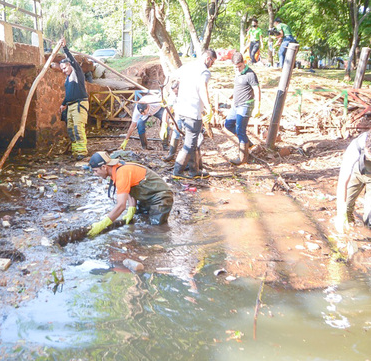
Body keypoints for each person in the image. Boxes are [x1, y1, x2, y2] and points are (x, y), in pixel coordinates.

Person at [87, 151, 174, 237]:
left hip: (161, 198)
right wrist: (131, 209)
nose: (95, 174)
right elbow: (128, 189)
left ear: (104, 167)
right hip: (147, 197)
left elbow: (121, 206)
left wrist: (102, 224)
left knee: (156, 230)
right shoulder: (117, 169)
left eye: (95, 171)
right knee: (140, 220)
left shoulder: (122, 173)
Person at [172, 49, 217, 179]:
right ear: (208, 58)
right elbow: (203, 88)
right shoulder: (204, 71)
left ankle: (194, 170)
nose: (211, 65)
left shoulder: (188, 66)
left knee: (193, 141)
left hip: (182, 110)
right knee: (190, 143)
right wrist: (209, 107)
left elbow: (172, 77)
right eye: (212, 62)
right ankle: (177, 171)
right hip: (193, 111)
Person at [224, 51, 261, 165]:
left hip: (245, 105)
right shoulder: (237, 73)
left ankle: (242, 158)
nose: (238, 69)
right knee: (228, 124)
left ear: (244, 62)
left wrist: (258, 107)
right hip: (236, 105)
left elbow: (257, 90)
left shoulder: (250, 74)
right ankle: (247, 143)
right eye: (235, 67)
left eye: (240, 66)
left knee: (240, 130)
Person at [58, 37, 90, 160]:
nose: (64, 71)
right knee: (71, 129)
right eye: (62, 69)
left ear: (70, 65)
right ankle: (76, 151)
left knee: (78, 127)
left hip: (79, 104)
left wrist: (64, 48)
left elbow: (72, 60)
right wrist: (63, 104)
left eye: (65, 68)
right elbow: (69, 94)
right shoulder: (68, 79)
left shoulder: (77, 73)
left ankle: (82, 152)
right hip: (71, 105)